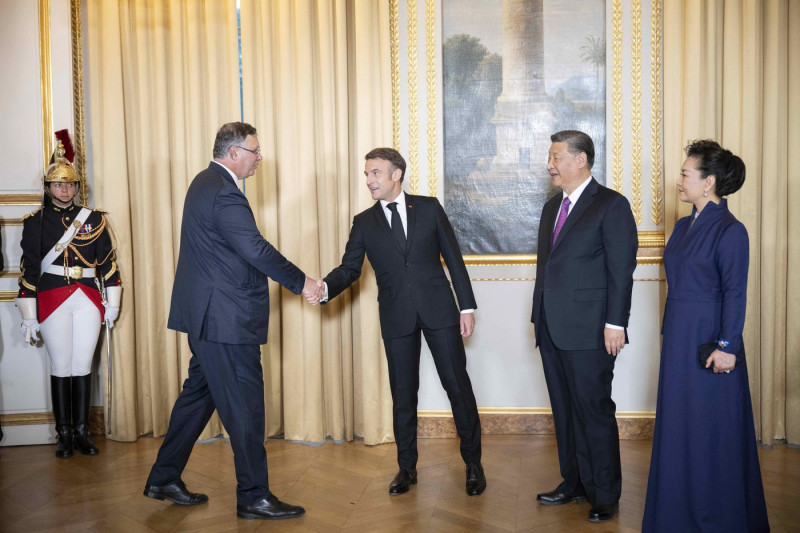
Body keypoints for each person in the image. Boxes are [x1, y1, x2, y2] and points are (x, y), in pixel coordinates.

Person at [143, 122, 320, 520]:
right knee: (244, 408)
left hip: (208, 317)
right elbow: (255, 249)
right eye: (255, 151)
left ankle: (164, 477)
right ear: (234, 152)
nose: (260, 158)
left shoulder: (203, 182)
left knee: (197, 398)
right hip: (226, 319)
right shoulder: (225, 193)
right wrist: (303, 281)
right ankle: (254, 496)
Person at [315, 147, 486, 496]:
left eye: (375, 173)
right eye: (366, 174)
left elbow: (453, 258)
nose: (368, 180)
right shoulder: (364, 222)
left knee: (457, 386)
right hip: (396, 316)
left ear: (396, 174)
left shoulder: (428, 207)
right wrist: (323, 288)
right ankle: (406, 468)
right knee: (403, 394)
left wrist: (466, 307)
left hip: (440, 310)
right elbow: (350, 269)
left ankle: (473, 464)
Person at [642, 140, 769, 532]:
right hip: (679, 337)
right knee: (681, 428)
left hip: (710, 342)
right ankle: (677, 516)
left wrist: (727, 346)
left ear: (708, 182)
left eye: (685, 174)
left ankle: (716, 517)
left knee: (711, 431)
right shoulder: (682, 226)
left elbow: (735, 291)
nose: (678, 181)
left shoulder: (732, 231)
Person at [530, 130, 638, 523]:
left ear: (581, 160)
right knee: (564, 411)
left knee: (593, 411)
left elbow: (621, 271)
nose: (550, 165)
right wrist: (537, 318)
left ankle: (605, 494)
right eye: (549, 157)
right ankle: (574, 482)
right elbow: (547, 270)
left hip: (593, 330)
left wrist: (616, 323)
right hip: (551, 328)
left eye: (556, 157)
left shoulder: (611, 205)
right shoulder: (550, 209)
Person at [15, 130, 122, 459]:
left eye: (70, 184)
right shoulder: (35, 222)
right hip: (52, 298)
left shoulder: (94, 220)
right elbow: (29, 270)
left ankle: (82, 432)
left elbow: (108, 265)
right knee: (61, 366)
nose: (65, 189)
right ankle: (63, 433)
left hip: (88, 298)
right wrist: (28, 316)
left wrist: (113, 304)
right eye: (58, 184)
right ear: (48, 188)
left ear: (78, 187)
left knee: (82, 365)